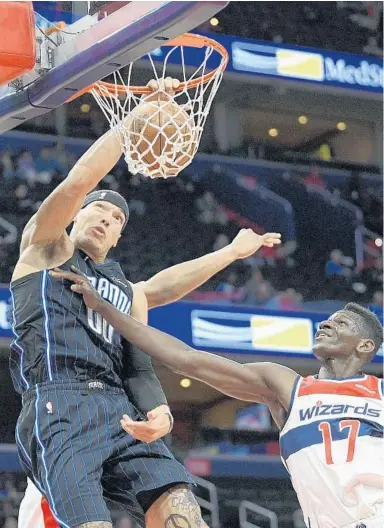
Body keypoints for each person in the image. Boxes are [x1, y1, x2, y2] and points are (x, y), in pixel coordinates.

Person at [11, 76, 282, 528]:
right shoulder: (45, 248)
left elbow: (164, 289)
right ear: (79, 215)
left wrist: (232, 253)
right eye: (99, 209)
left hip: (122, 411)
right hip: (60, 401)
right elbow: (77, 183)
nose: (105, 217)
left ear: (120, 236)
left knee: (183, 513)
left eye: (116, 217)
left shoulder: (125, 290)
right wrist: (135, 121)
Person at [53, 266, 384, 528]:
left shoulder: (379, 392)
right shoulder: (288, 386)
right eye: (329, 318)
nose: (325, 323)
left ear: (364, 346)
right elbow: (185, 359)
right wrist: (106, 310)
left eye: (340, 323)